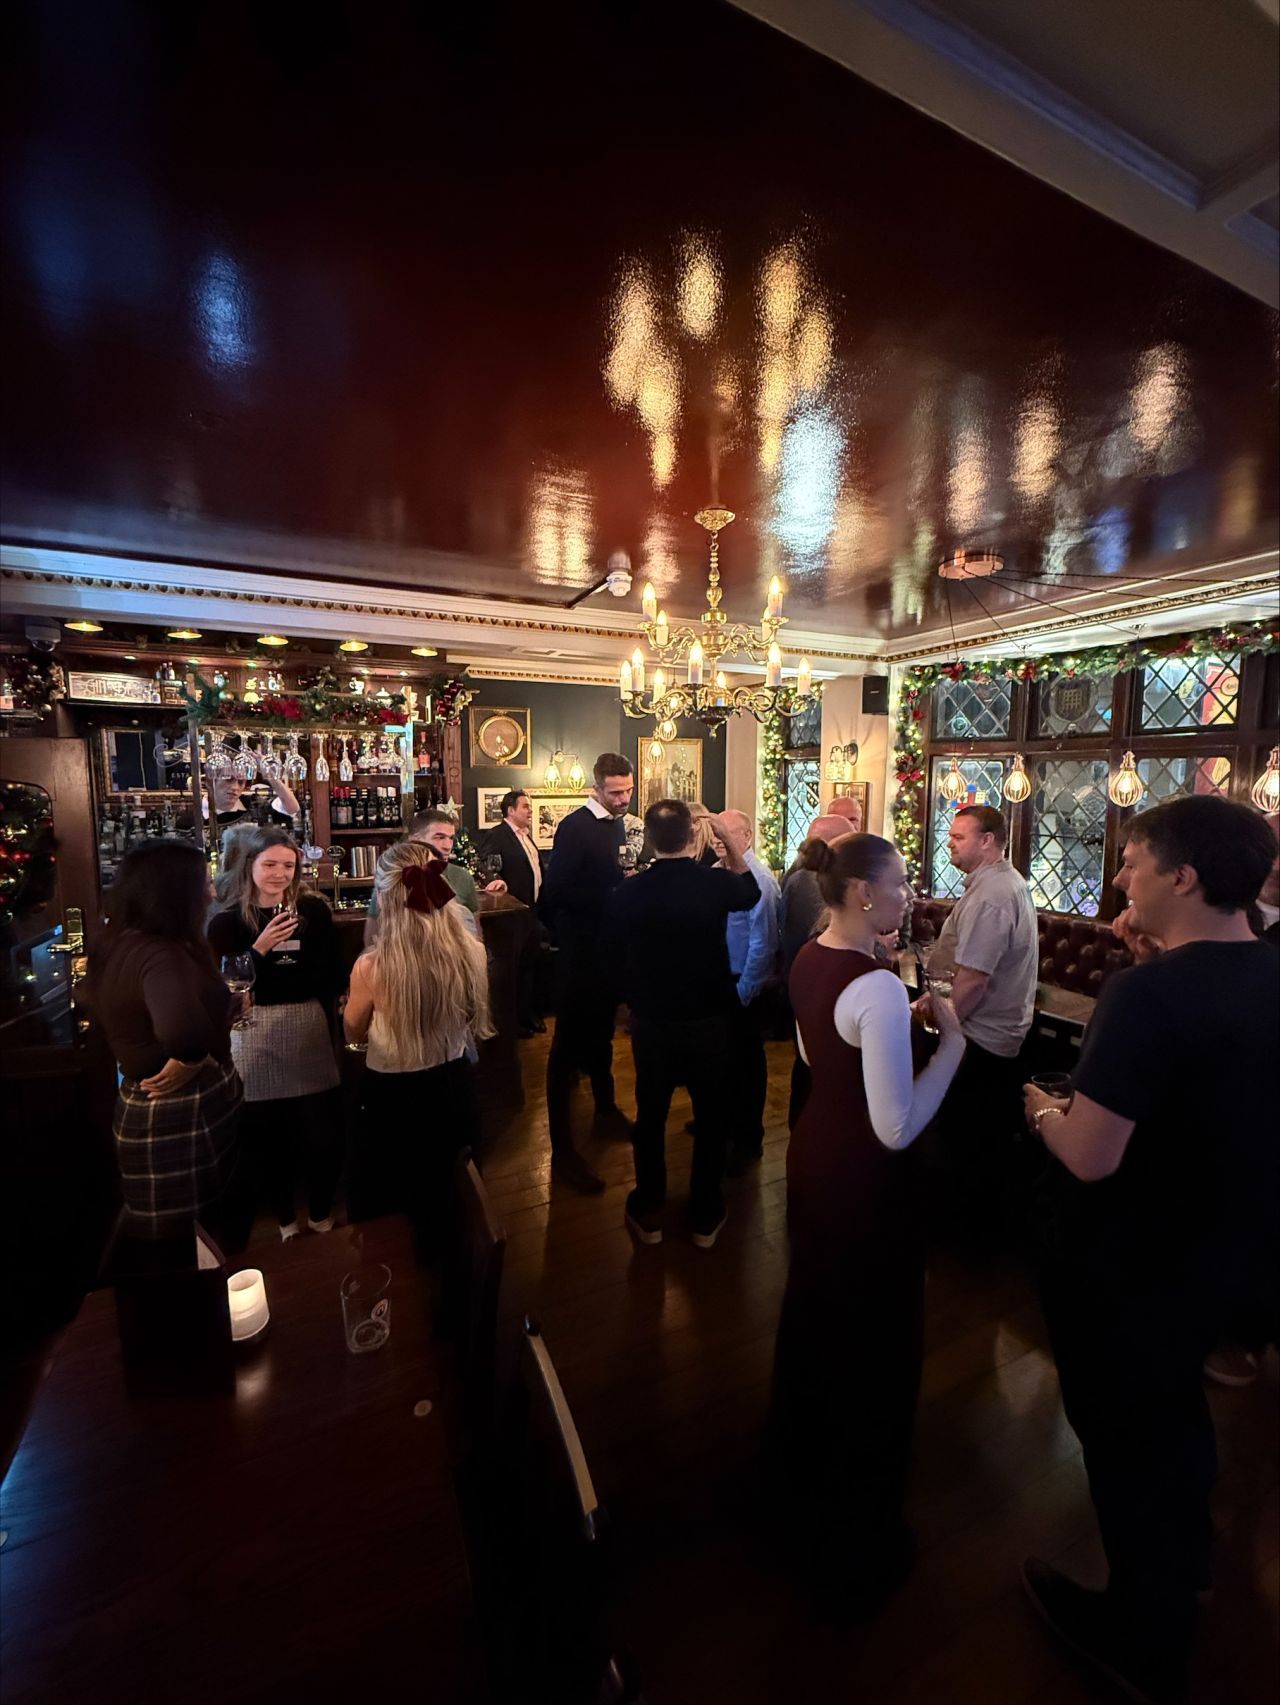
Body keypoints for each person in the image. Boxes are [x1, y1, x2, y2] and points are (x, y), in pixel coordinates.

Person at [1020, 796, 1278, 1705]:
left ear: (1185, 876)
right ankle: (1191, 1565)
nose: (1121, 876)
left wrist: (1044, 1111)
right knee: (1177, 1414)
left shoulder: (1148, 994)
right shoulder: (1268, 970)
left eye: (1133, 860)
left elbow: (1092, 1155)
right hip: (1227, 1253)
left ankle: (1140, 1632)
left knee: (1123, 1435)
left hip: (1129, 1261)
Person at [767, 833, 965, 1609]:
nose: (910, 894)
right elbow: (896, 1127)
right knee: (871, 1332)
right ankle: (853, 1511)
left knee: (819, 1309)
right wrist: (948, 1044)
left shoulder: (812, 955)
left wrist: (890, 1031)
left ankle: (800, 1465)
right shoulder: (877, 984)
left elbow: (821, 1061)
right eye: (901, 884)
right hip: (863, 1173)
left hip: (816, 1148)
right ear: (861, 895)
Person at [604, 800, 760, 1249]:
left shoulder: (627, 893)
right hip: (711, 1020)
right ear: (693, 837)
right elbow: (749, 890)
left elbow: (609, 960)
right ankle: (705, 1212)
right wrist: (724, 834)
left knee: (650, 1116)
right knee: (712, 1117)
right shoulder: (713, 886)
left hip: (653, 1022)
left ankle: (650, 1208)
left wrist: (633, 999)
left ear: (650, 839)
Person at [85, 839, 245, 1260]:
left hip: (146, 1102)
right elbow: (184, 1034)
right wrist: (198, 1057)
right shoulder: (160, 953)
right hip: (176, 1109)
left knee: (175, 1239)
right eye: (204, 884)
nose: (211, 893)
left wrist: (222, 1008)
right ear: (175, 893)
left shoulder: (117, 941)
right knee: (190, 1243)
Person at [344, 840, 493, 1256]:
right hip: (453, 1085)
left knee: (388, 1214)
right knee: (451, 1200)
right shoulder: (473, 952)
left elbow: (353, 1031)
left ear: (383, 895)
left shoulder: (371, 966)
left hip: (391, 1097)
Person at [208, 827, 346, 1241]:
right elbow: (226, 985)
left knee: (320, 1133)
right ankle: (286, 1221)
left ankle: (321, 1215)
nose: (279, 874)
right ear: (248, 865)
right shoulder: (227, 922)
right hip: (253, 1032)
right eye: (269, 864)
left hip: (306, 1023)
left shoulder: (314, 912)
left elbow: (333, 972)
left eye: (289, 865)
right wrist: (261, 948)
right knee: (266, 1137)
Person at [924, 803, 1039, 1226]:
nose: (949, 844)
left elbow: (974, 980)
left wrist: (940, 1026)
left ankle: (965, 1229)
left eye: (958, 837)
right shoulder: (996, 884)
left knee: (966, 1136)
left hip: (981, 1039)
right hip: (986, 1032)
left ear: (987, 841)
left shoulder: (993, 895)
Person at [539, 752, 635, 1193]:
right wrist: (612, 895)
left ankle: (606, 1109)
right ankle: (563, 1151)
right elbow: (555, 893)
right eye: (616, 792)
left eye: (628, 790)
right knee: (566, 1051)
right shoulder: (574, 827)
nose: (623, 798)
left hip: (606, 952)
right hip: (578, 955)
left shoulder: (616, 825)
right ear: (595, 788)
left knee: (601, 1037)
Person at [712, 809, 779, 1172]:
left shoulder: (760, 879)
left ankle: (748, 1138)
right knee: (723, 1061)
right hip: (722, 982)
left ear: (747, 837)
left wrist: (745, 990)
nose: (718, 842)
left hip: (743, 984)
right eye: (716, 835)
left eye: (726, 835)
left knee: (747, 1065)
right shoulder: (716, 875)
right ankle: (724, 1125)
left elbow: (763, 942)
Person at [363, 808, 504, 943]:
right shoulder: (392, 877)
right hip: (401, 963)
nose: (448, 846)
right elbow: (372, 938)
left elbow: (475, 935)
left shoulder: (462, 877)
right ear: (415, 839)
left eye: (451, 838)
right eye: (439, 837)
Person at [478, 788, 546, 1036]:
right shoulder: (498, 835)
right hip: (512, 915)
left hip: (532, 913)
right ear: (510, 810)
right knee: (512, 972)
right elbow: (487, 864)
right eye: (525, 806)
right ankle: (513, 1023)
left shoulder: (526, 836)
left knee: (529, 967)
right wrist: (496, 880)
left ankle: (528, 1016)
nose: (530, 810)